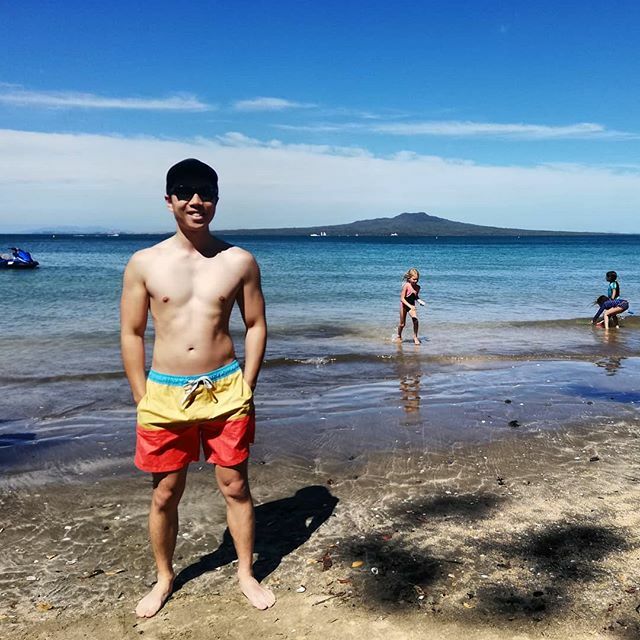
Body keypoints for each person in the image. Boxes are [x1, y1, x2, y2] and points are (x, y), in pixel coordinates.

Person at [120, 158, 275, 618]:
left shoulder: (238, 261)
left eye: (205, 192)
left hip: (226, 389)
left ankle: (245, 572)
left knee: (235, 486)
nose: (195, 200)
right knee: (166, 492)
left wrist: (247, 383)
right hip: (164, 393)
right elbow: (131, 332)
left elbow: (256, 324)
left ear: (216, 200)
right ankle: (165, 577)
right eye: (185, 191)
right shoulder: (144, 263)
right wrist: (141, 394)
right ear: (168, 200)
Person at [396, 268, 425, 345]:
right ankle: (399, 335)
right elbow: (402, 298)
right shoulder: (406, 286)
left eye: (417, 279)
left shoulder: (418, 287)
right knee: (402, 324)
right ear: (409, 278)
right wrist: (409, 306)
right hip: (404, 305)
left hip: (411, 305)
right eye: (414, 279)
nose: (416, 281)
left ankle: (415, 337)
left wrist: (419, 301)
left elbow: (415, 296)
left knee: (416, 321)